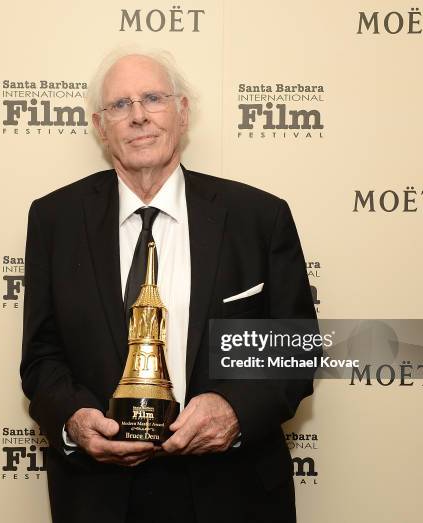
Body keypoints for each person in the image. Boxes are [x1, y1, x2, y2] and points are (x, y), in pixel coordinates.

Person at [20, 49, 316, 523]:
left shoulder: (258, 217)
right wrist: (74, 420)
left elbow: (295, 352)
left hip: (232, 491)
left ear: (182, 113)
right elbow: (41, 358)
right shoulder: (54, 220)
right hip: (101, 498)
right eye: (120, 105)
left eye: (153, 98)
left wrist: (233, 409)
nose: (138, 116)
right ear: (100, 127)